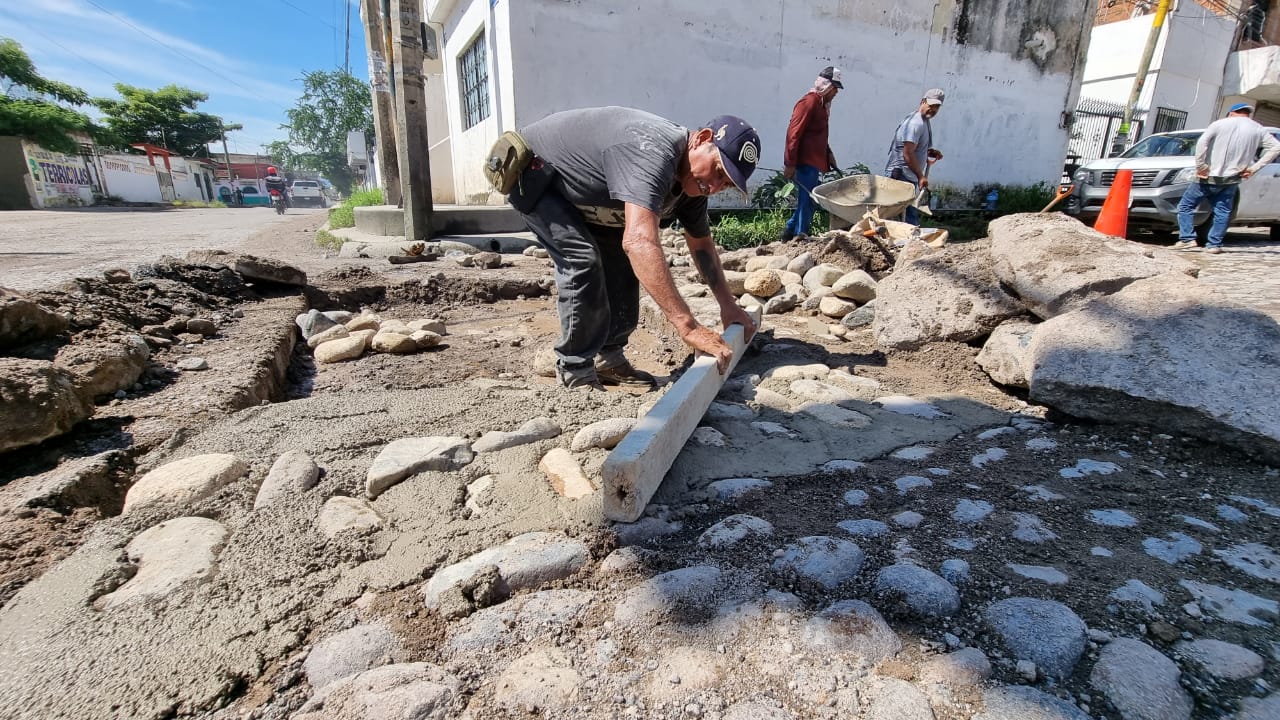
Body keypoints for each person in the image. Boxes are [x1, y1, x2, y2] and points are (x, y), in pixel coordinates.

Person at [501, 107, 760, 391]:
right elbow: (639, 242)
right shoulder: (654, 153)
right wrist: (688, 327)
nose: (714, 186)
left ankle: (608, 359)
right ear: (702, 138)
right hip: (535, 172)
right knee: (582, 259)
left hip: (588, 192)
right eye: (718, 171)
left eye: (725, 184)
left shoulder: (694, 186)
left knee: (623, 261)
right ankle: (576, 370)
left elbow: (701, 244)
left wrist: (728, 305)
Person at [1174, 102, 1280, 254]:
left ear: (1231, 113)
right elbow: (1276, 147)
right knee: (1222, 211)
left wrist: (1201, 165)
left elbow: (1202, 143)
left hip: (1208, 176)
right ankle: (1214, 245)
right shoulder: (1257, 128)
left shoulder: (1219, 124)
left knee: (1185, 206)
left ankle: (1187, 239)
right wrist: (1254, 168)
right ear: (1247, 114)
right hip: (1232, 178)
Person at [782, 66, 842, 242]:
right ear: (827, 87)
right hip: (805, 161)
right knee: (808, 200)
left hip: (814, 161)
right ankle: (800, 235)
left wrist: (828, 154)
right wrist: (790, 163)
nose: (837, 92)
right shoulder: (809, 103)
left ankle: (789, 231)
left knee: (809, 199)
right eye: (835, 88)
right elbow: (793, 134)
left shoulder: (822, 106)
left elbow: (818, 136)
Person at [885, 88, 946, 225]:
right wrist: (921, 176)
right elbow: (907, 152)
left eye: (937, 107)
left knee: (905, 218)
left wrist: (929, 152)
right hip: (900, 175)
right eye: (931, 105)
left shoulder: (924, 120)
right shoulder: (916, 123)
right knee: (905, 219)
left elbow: (914, 147)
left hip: (907, 175)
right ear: (923, 101)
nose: (933, 109)